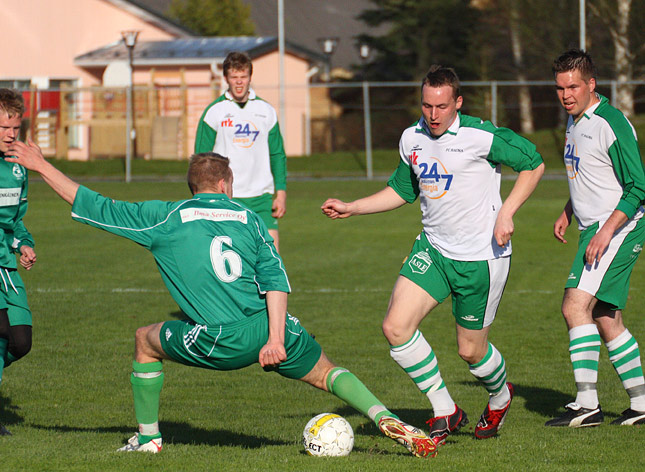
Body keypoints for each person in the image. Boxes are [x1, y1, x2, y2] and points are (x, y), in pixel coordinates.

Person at [5, 146, 437, 458]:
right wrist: (274, 338)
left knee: (144, 339)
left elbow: (92, 203)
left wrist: (41, 164)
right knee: (327, 372)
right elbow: (275, 278)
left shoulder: (167, 217)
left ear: (193, 187)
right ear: (227, 184)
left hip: (222, 340)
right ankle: (385, 418)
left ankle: (149, 438)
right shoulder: (249, 218)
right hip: (273, 328)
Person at [322, 65, 544, 446]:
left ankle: (500, 395)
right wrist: (353, 207)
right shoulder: (412, 138)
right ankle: (445, 409)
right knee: (396, 327)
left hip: (481, 258)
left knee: (470, 352)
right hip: (434, 250)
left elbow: (533, 164)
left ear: (458, 102)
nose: (433, 114)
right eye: (427, 105)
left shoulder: (481, 136)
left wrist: (506, 212)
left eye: (442, 106)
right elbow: (402, 190)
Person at [545, 49, 645, 428]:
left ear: (591, 84)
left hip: (619, 226)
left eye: (573, 86)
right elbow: (588, 175)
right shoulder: (575, 121)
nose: (566, 94)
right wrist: (568, 211)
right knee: (604, 315)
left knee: (574, 306)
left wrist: (604, 231)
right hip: (595, 226)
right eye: (559, 87)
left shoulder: (610, 122)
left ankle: (587, 404)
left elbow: (638, 186)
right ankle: (641, 404)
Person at [195, 51, 287, 252]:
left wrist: (281, 194)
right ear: (226, 78)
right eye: (234, 77)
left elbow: (277, 154)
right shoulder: (214, 112)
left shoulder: (266, 111)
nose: (239, 82)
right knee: (233, 262)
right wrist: (203, 198)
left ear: (250, 77)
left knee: (272, 259)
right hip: (227, 199)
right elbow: (200, 161)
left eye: (243, 77)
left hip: (262, 198)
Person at [0, 89, 37, 436]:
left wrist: (23, 243)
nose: (11, 135)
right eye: (4, 128)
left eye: (16, 127)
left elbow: (15, 221)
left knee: (20, 341)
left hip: (5, 266)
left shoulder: (17, 168)